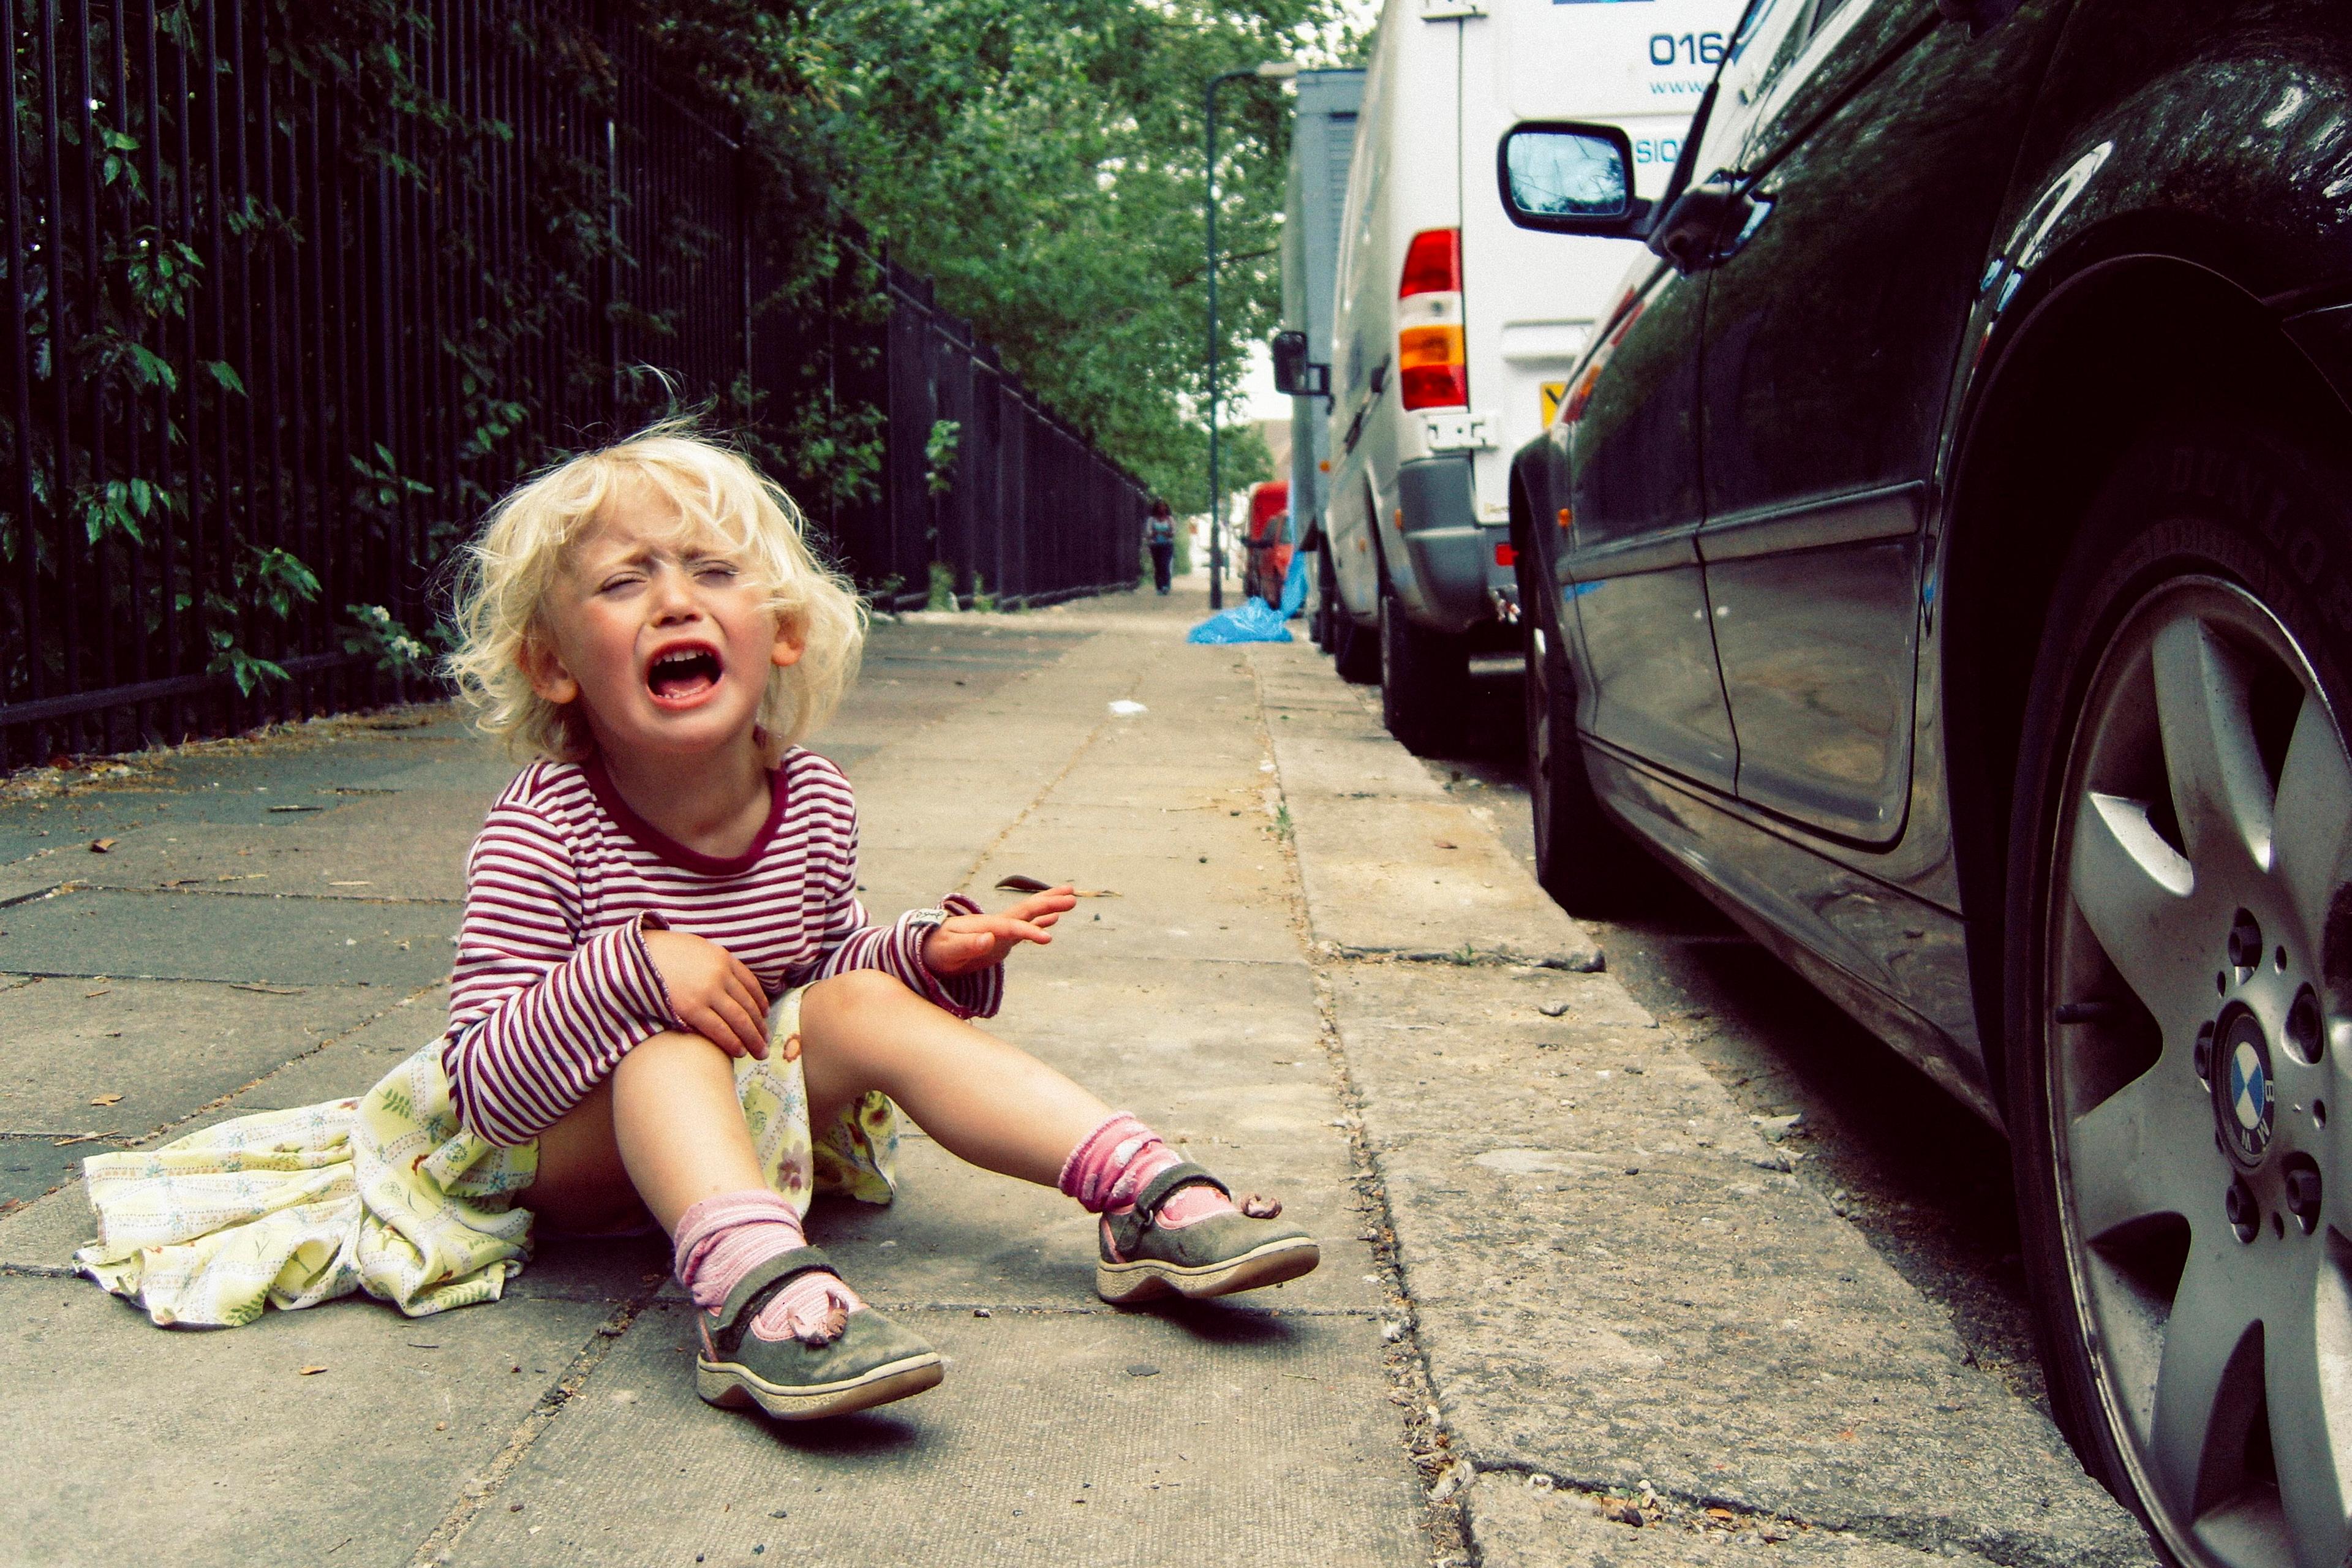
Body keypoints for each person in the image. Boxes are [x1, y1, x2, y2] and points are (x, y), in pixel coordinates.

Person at [74, 423, 1319, 1422]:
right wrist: (631, 971)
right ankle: (745, 1291)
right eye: (625, 582)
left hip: (736, 1107)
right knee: (665, 1037)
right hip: (556, 1148)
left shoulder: (812, 797)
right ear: (559, 663)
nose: (674, 601)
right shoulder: (544, 824)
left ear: (778, 635)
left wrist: (928, 954)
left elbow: (820, 980)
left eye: (712, 573)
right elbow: (487, 1083)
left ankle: (1137, 1191)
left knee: (870, 997)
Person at [1145, 498, 1176, 594]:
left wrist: (1167, 534)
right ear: (1156, 508)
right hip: (1155, 546)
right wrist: (1155, 533)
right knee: (1158, 566)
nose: (1162, 508)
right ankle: (1159, 587)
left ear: (1166, 508)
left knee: (1165, 564)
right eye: (1160, 506)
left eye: (1164, 506)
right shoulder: (1152, 520)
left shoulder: (1170, 519)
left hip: (1167, 545)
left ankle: (1166, 585)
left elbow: (1174, 532)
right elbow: (1149, 533)